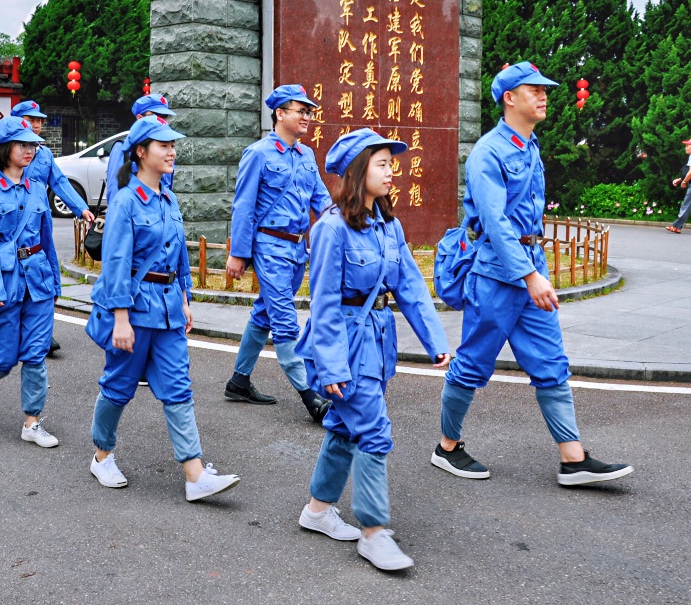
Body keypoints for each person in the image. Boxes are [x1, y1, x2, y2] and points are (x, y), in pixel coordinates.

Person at [433, 62, 633, 487]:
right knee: (472, 365)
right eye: (534, 90)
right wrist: (529, 277)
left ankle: (573, 459)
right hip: (495, 276)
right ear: (509, 98)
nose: (544, 96)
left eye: (545, 90)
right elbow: (495, 222)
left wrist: (534, 270)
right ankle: (447, 447)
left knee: (550, 363)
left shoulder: (529, 145)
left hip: (529, 266)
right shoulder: (489, 152)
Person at [295, 128, 451, 572]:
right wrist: (330, 365)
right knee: (374, 432)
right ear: (359, 170)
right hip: (344, 345)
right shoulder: (330, 228)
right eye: (382, 164)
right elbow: (322, 303)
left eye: (391, 163)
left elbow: (411, 287)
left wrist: (436, 341)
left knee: (346, 429)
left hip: (378, 343)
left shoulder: (389, 224)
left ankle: (317, 511)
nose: (391, 172)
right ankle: (373, 532)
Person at [85, 116, 240, 501]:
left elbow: (180, 256)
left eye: (173, 145)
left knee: (177, 388)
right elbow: (117, 263)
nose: (172, 151)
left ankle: (195, 474)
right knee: (118, 387)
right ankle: (102, 455)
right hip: (135, 310)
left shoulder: (168, 199)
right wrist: (120, 318)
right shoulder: (125, 202)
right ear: (140, 152)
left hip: (168, 307)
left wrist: (185, 299)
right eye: (163, 145)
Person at [224, 84, 334, 420]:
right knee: (285, 321)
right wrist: (238, 253)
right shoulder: (258, 154)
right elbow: (243, 207)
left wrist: (347, 228)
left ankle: (239, 381)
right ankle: (311, 397)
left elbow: (322, 200)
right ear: (280, 113)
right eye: (300, 110)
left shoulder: (306, 155)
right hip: (270, 247)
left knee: (264, 313)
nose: (307, 116)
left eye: (309, 111)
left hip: (298, 248)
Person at [0, 116, 62, 448]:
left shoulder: (37, 189)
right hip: (5, 281)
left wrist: (56, 283)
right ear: (5, 149)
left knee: (35, 353)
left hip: (38, 279)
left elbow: (46, 239)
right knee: (5, 356)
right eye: (23, 144)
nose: (30, 150)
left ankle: (32, 422)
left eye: (32, 144)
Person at [0, 100, 95, 356]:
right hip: (9, 226)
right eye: (31, 120)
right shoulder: (0, 154)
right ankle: (11, 326)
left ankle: (41, 330)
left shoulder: (44, 154)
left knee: (42, 269)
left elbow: (60, 181)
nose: (37, 125)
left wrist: (81, 208)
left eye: (40, 120)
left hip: (35, 222)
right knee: (13, 277)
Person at [103, 93, 177, 202]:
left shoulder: (167, 151)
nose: (161, 121)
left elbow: (167, 190)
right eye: (156, 115)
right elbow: (115, 194)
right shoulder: (122, 149)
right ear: (139, 118)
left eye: (165, 116)